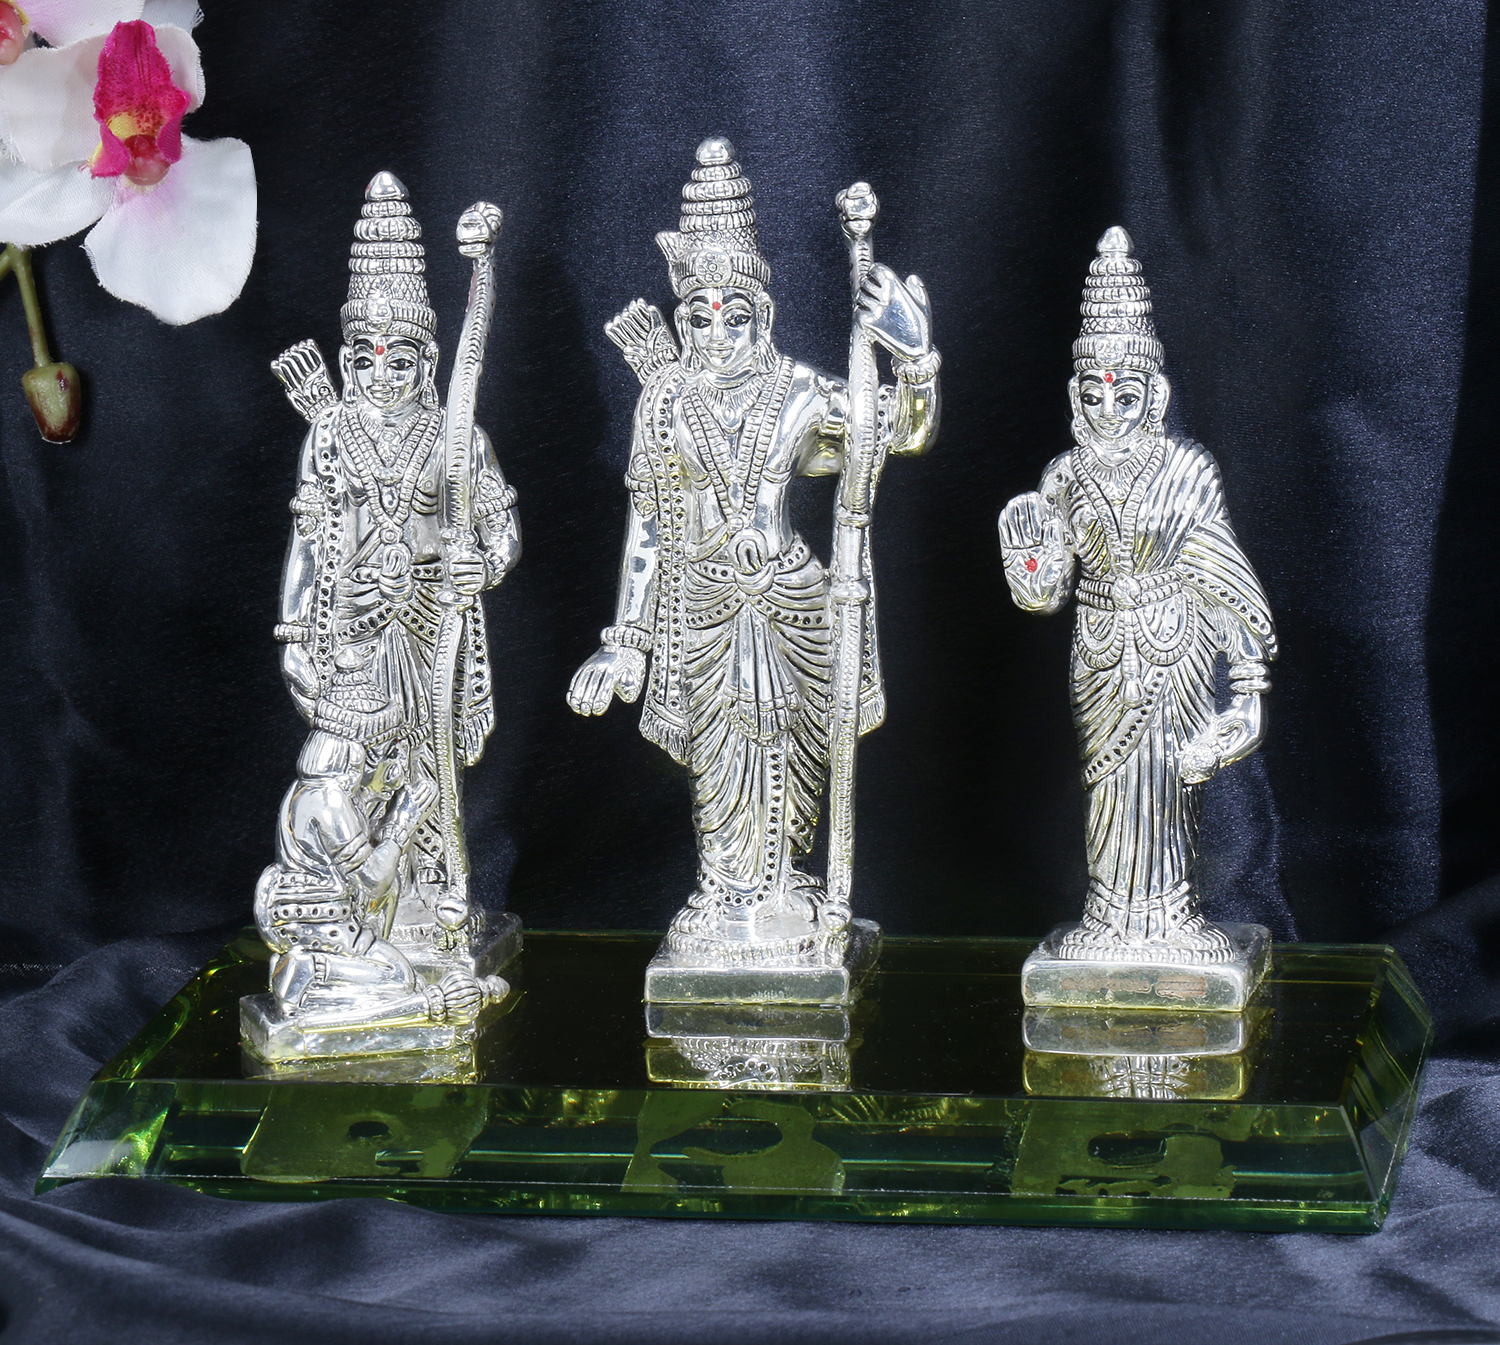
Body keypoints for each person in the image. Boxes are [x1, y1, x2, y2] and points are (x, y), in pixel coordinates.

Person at [568, 139, 939, 965]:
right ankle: (730, 893)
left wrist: (914, 356)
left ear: (762, 316)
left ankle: (783, 889)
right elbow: (651, 523)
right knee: (720, 756)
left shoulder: (799, 390)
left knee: (789, 748)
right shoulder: (664, 402)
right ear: (681, 319)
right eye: (699, 316)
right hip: (701, 608)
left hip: (792, 600)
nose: (717, 333)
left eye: (734, 315)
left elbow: (897, 435)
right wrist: (626, 640)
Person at [257, 172, 519, 1025]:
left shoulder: (455, 435)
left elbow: (500, 526)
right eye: (365, 359)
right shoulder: (329, 434)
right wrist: (298, 636)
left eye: (399, 360)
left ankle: (435, 905)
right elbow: (308, 542)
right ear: (347, 359)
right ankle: (357, 910)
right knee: (353, 772)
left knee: (430, 766)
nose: (381, 375)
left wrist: (482, 564)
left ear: (427, 363)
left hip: (430, 631)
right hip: (355, 633)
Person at [999, 226, 1276, 963]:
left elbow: (1221, 572)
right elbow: (1045, 592)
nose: (1109, 409)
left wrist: (1248, 689)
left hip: (1173, 641)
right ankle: (1110, 915)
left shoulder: (1187, 470)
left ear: (1155, 394)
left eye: (1125, 393)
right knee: (1109, 782)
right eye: (1094, 393)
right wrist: (1027, 556)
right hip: (1097, 643)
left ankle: (1172, 917)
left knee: (1170, 780)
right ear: (1075, 395)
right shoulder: (1064, 475)